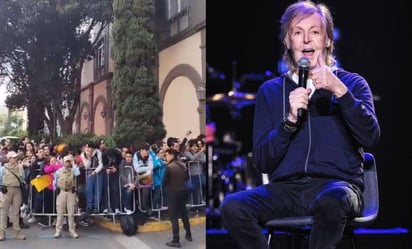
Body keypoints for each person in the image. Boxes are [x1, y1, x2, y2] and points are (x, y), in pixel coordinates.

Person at [218, 1, 381, 249]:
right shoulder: (271, 92)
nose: (306, 41)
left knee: (332, 200)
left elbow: (370, 136)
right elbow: (262, 161)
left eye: (314, 32)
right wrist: (289, 122)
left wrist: (339, 90)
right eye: (297, 32)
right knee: (232, 206)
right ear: (287, 41)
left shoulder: (353, 84)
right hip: (286, 190)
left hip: (338, 186)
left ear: (327, 40)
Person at [163, 148, 192, 247]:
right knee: (184, 214)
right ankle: (189, 234)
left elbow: (164, 182)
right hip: (183, 192)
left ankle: (176, 240)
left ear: (172, 155)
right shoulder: (182, 165)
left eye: (166, 155)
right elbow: (187, 178)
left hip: (173, 193)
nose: (165, 157)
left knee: (174, 217)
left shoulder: (169, 167)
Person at [0, 151, 26, 241]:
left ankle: (17, 233)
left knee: (16, 212)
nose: (14, 159)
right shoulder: (3, 168)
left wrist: (23, 183)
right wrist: (1, 187)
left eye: (15, 157)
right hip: (6, 190)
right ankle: (1, 233)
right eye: (13, 157)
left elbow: (23, 178)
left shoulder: (20, 167)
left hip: (17, 190)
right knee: (4, 212)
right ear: (9, 158)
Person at [53, 154, 80, 239]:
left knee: (71, 213)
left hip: (71, 193)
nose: (67, 163)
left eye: (69, 162)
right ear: (63, 162)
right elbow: (55, 181)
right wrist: (55, 188)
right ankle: (58, 231)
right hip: (61, 192)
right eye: (66, 161)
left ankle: (72, 231)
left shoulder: (73, 170)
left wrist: (73, 163)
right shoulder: (59, 171)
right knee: (60, 213)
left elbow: (78, 173)